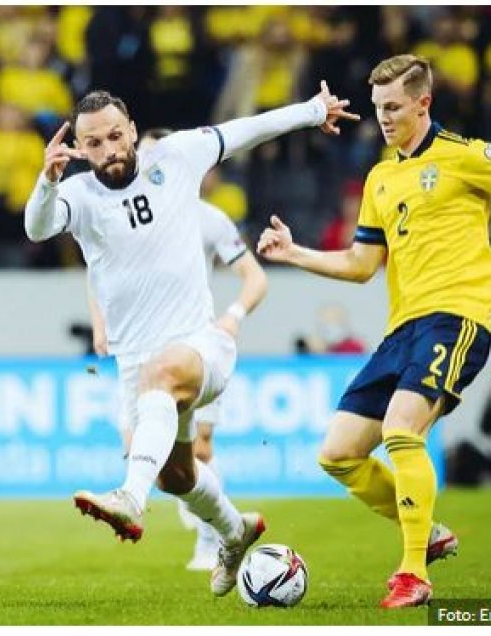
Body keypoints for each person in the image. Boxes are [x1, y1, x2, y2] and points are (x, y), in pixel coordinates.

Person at [25, 84, 357, 595]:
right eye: (93, 144)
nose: (108, 149)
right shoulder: (78, 196)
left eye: (116, 135)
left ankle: (129, 500)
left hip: (201, 343)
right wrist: (46, 183)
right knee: (177, 476)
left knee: (162, 391)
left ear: (133, 131)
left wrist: (312, 111)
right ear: (80, 149)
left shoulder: (176, 155)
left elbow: (244, 131)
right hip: (136, 364)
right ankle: (233, 530)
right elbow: (37, 228)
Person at [257, 54, 491, 608]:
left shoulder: (467, 157)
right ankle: (429, 532)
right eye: (377, 107)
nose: (383, 117)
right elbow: (363, 265)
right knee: (337, 453)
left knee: (402, 430)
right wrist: (294, 253)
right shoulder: (381, 178)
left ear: (423, 103)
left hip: (458, 315)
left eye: (393, 107)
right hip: (402, 328)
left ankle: (414, 572)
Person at [88, 127, 269, 572]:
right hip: (140, 350)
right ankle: (230, 529)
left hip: (194, 347)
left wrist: (233, 317)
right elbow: (97, 270)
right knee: (164, 465)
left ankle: (203, 539)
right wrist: (100, 322)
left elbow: (256, 276)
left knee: (201, 447)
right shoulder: (117, 214)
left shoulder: (206, 217)